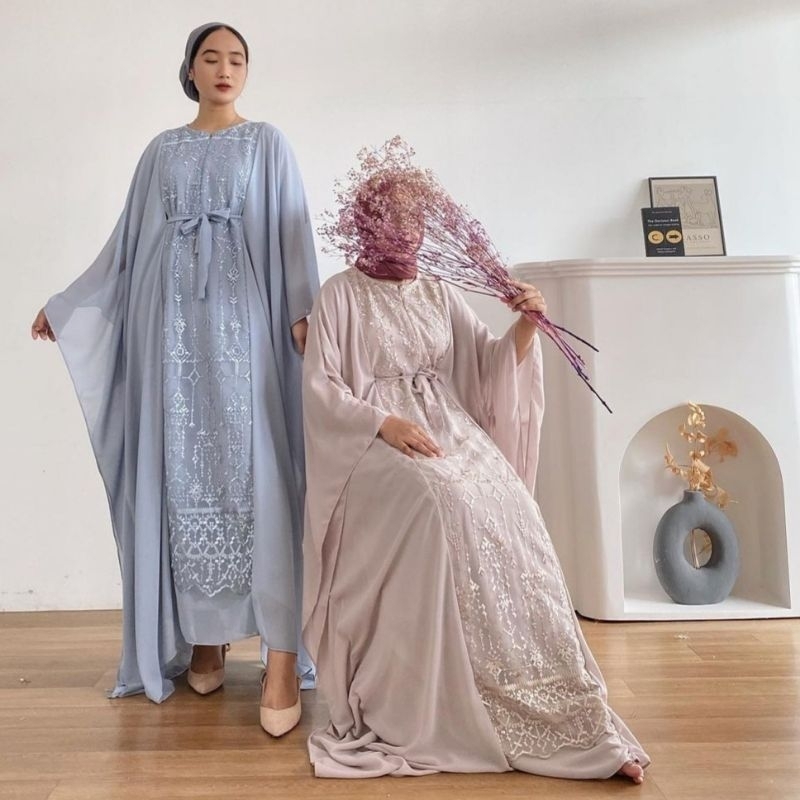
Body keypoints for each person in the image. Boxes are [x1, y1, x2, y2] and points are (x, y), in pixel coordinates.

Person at [301, 174, 649, 780]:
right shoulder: (340, 294)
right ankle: (445, 694)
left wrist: (526, 325)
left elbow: (487, 363)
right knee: (438, 499)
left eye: (416, 218)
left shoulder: (438, 291)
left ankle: (543, 696)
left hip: (449, 428)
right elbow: (322, 388)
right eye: (394, 217)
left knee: (507, 500)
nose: (407, 230)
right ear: (367, 222)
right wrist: (383, 422)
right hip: (372, 439)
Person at [30, 22, 318, 735]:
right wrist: (69, 304)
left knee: (257, 473)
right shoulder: (162, 150)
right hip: (171, 337)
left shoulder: (268, 143)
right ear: (189, 70)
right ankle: (205, 637)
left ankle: (279, 652)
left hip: (246, 333)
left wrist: (305, 311)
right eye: (210, 58)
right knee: (183, 474)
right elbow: (127, 244)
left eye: (237, 59)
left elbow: (293, 232)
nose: (225, 68)